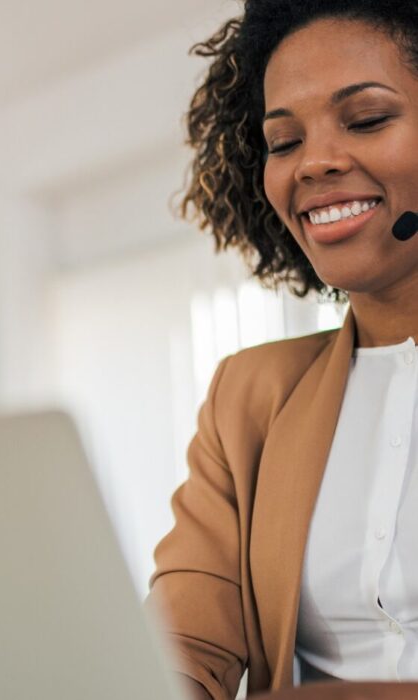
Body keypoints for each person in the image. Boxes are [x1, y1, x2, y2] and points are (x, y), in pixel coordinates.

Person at [146, 1, 418, 699]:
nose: (315, 163)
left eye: (366, 120)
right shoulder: (250, 396)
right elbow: (185, 644)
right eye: (284, 141)